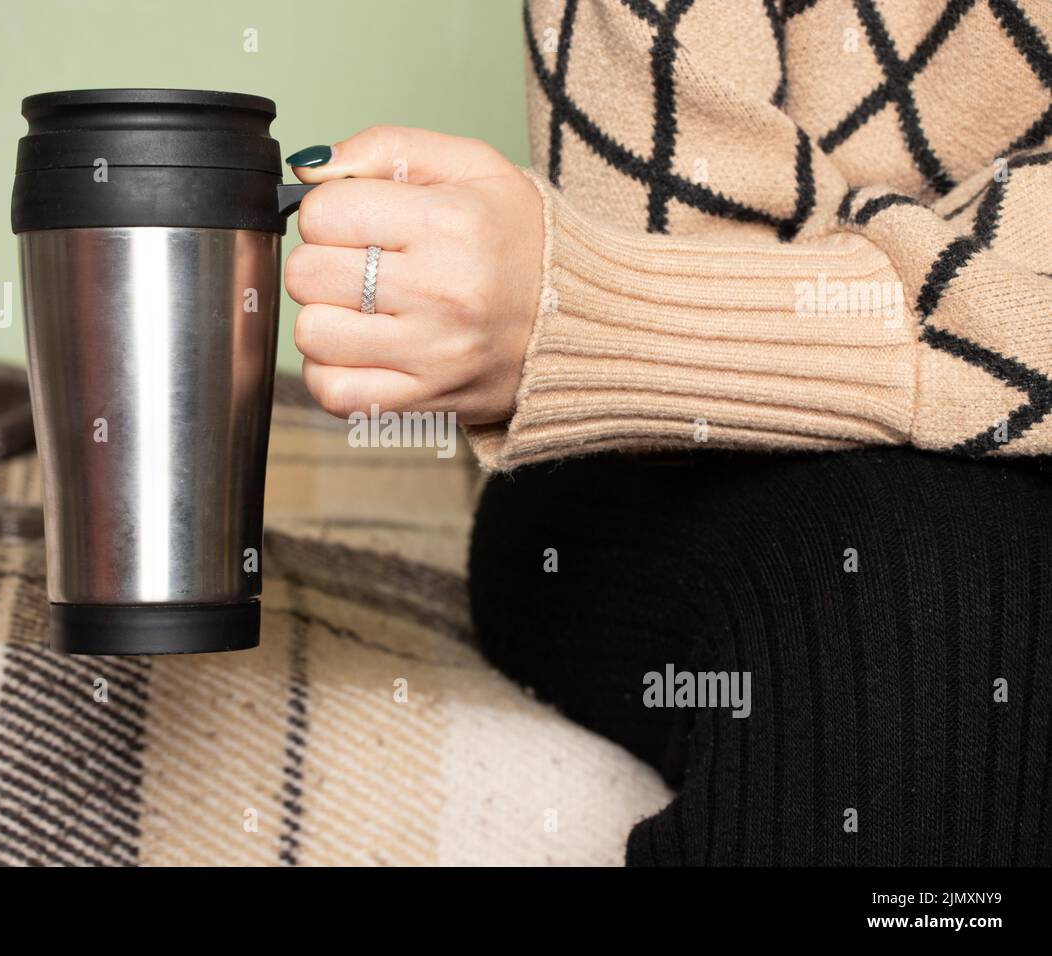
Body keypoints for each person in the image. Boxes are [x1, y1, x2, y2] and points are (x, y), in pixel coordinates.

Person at [281, 0, 1052, 865]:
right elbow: (679, 236)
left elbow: (668, 281)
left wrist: (587, 304)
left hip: (691, 394)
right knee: (925, 591)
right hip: (669, 465)